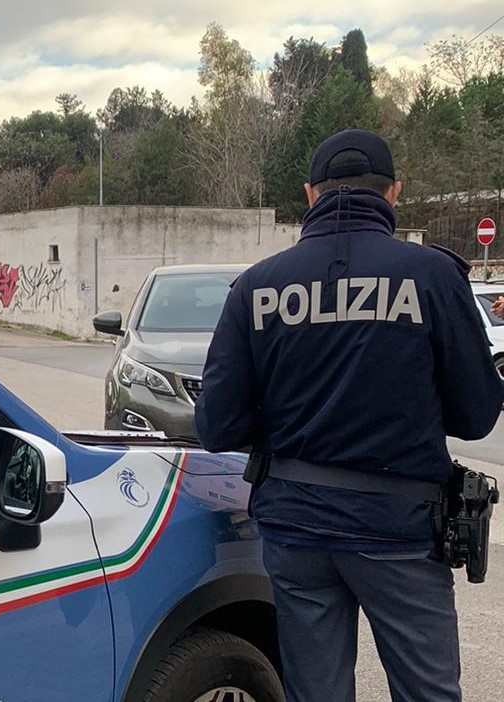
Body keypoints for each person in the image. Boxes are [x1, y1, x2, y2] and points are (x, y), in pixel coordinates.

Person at [194, 129, 503, 702]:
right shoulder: (433, 276)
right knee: (428, 692)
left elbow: (217, 426)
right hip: (399, 529)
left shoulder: (256, 286)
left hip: (295, 530)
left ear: (310, 194)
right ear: (394, 192)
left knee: (316, 692)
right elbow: (477, 415)